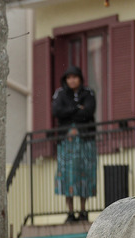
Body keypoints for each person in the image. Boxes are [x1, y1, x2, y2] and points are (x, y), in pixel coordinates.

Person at [52, 65, 97, 223]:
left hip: (85, 141)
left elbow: (89, 112)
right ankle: (70, 212)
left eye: (75, 77)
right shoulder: (60, 94)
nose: (72, 80)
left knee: (84, 174)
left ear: (80, 78)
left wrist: (69, 111)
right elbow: (57, 111)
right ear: (65, 80)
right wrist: (77, 108)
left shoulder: (88, 93)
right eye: (69, 77)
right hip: (66, 142)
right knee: (67, 175)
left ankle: (83, 211)